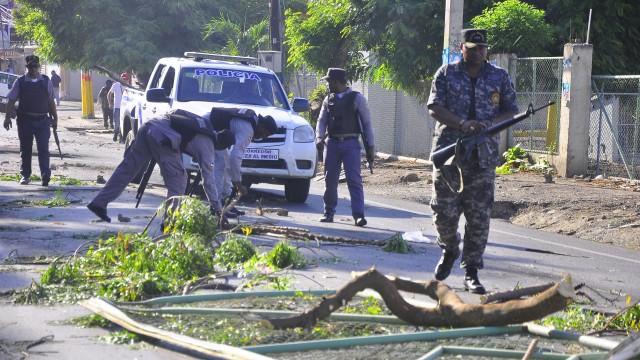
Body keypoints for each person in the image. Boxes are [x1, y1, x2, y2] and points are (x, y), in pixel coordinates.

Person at [426, 29, 519, 294]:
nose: (479, 52)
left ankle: (471, 272)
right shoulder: (446, 73)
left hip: (483, 156)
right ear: (462, 48)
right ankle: (450, 248)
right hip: (449, 155)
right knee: (443, 212)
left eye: (482, 48)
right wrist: (462, 124)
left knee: (479, 217)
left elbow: (511, 110)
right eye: (473, 47)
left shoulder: (498, 75)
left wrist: (489, 124)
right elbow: (434, 107)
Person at [86, 110, 236, 223]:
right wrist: (218, 210)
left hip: (150, 125)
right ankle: (169, 222)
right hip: (164, 138)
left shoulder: (204, 124)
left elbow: (177, 112)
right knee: (180, 179)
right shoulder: (208, 145)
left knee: (127, 169)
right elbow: (208, 180)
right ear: (222, 146)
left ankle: (99, 203)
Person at [315, 68, 374, 227]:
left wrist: (371, 147)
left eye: (329, 82)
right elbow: (321, 121)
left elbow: (367, 123)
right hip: (332, 143)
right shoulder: (328, 100)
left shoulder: (357, 99)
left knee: (354, 179)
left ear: (336, 82)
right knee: (330, 179)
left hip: (351, 143)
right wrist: (319, 138)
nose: (327, 85)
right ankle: (329, 212)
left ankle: (358, 215)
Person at [210, 107, 278, 217]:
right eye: (264, 134)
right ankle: (215, 206)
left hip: (217, 133)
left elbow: (233, 160)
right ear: (261, 126)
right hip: (209, 128)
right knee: (221, 164)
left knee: (226, 164)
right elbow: (235, 157)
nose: (263, 137)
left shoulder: (251, 123)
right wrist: (239, 184)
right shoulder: (248, 130)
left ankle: (226, 203)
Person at [3, 55, 58, 187]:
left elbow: (51, 101)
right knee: (25, 149)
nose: (33, 69)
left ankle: (45, 175)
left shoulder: (46, 81)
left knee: (43, 149)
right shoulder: (20, 81)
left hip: (43, 121)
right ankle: (25, 175)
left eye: (35, 66)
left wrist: (55, 118)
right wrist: (7, 117)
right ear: (27, 68)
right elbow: (11, 100)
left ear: (38, 67)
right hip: (25, 121)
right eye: (30, 66)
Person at [108, 73, 128, 143]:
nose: (124, 80)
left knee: (123, 123)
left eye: (126, 79)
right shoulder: (116, 85)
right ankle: (116, 133)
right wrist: (110, 103)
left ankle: (121, 137)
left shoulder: (128, 87)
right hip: (117, 107)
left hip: (125, 109)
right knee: (117, 123)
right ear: (120, 78)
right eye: (123, 78)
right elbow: (109, 93)